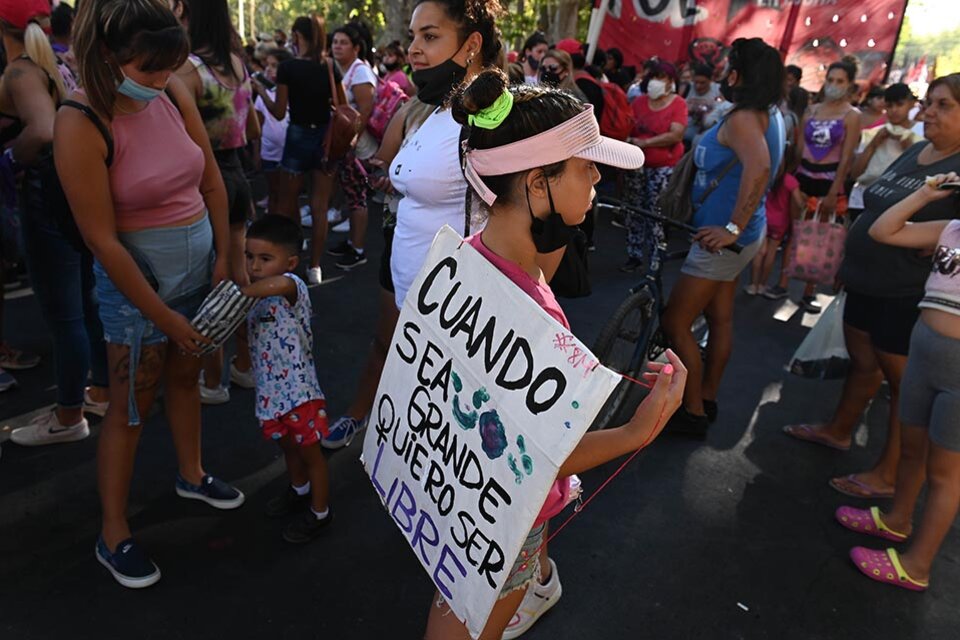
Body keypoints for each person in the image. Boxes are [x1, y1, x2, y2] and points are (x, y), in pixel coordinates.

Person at [423, 66, 685, 640]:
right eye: (586, 165)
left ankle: (539, 584)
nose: (597, 177)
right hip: (501, 525)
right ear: (538, 183)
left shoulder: (464, 257)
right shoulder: (532, 314)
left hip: (457, 502)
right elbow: (532, 459)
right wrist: (636, 432)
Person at [57, 0, 244, 588]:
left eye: (168, 69)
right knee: (130, 407)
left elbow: (210, 178)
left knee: (185, 378)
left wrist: (223, 257)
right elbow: (102, 241)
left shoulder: (171, 91)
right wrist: (161, 313)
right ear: (110, 57)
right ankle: (113, 532)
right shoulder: (79, 120)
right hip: (136, 291)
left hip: (196, 276)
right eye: (149, 71)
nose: (161, 82)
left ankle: (192, 472)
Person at [783, 74, 960, 501]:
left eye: (943, 105)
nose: (927, 112)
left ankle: (889, 474)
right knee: (864, 363)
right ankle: (839, 430)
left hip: (906, 295)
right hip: (866, 281)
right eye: (929, 102)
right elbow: (875, 196)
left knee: (904, 389)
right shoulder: (919, 150)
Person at [836, 171, 960, 592]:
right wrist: (924, 193)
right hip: (925, 350)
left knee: (945, 474)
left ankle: (917, 565)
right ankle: (896, 519)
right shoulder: (950, 229)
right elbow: (883, 230)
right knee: (911, 450)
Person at [661, 37, 785, 438]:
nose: (723, 69)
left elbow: (760, 169)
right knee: (720, 317)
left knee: (676, 322)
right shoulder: (768, 114)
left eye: (730, 63)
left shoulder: (745, 120)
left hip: (723, 241)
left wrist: (731, 227)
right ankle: (708, 396)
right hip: (741, 237)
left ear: (740, 73)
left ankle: (692, 410)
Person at [2, 0, 110, 448]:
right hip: (71, 190)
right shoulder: (56, 63)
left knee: (65, 311)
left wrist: (7, 159)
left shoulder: (21, 72)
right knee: (85, 304)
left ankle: (69, 414)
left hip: (46, 197)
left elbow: (44, 130)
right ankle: (100, 390)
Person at [178, 0, 259, 404]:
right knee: (239, 277)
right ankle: (243, 365)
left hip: (206, 181)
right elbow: (254, 123)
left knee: (213, 278)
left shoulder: (190, 70)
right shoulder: (237, 63)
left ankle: (213, 380)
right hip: (238, 174)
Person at [241, 215, 332, 543]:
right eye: (249, 256)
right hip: (271, 394)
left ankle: (320, 512)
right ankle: (299, 489)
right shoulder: (253, 298)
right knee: (288, 447)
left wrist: (242, 292)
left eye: (265, 259)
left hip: (299, 394)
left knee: (311, 454)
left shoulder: (292, 287)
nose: (254, 266)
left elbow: (274, 284)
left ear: (290, 262)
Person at [254, 15, 343, 285]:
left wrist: (260, 89)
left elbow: (279, 112)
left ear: (296, 35)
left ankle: (288, 257)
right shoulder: (329, 65)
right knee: (319, 207)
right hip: (325, 138)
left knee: (285, 203)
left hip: (298, 136)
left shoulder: (288, 68)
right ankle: (315, 266)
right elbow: (341, 105)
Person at [792, 59, 861, 313]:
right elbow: (799, 149)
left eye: (840, 81)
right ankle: (778, 283)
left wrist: (835, 190)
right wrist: (791, 181)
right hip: (802, 176)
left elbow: (847, 157)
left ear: (849, 85)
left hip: (828, 181)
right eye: (830, 80)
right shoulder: (811, 110)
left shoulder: (852, 116)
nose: (833, 85)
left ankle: (808, 292)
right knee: (793, 230)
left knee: (818, 238)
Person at [621, 60, 687, 273]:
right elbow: (627, 126)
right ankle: (634, 255)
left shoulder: (678, 104)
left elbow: (676, 134)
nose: (655, 82)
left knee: (656, 212)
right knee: (634, 209)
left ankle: (656, 257)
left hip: (663, 167)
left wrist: (646, 143)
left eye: (661, 78)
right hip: (636, 165)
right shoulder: (639, 102)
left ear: (671, 82)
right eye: (653, 77)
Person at [328, 23, 377, 270]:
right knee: (351, 193)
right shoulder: (344, 68)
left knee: (358, 196)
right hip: (349, 143)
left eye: (343, 42)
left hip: (359, 146)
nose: (337, 46)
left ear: (356, 48)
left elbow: (365, 110)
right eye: (335, 41)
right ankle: (351, 242)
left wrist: (353, 138)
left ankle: (358, 250)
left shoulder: (360, 73)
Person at [847, 83, 924, 219]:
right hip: (862, 200)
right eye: (889, 106)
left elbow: (924, 170)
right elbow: (855, 173)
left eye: (899, 105)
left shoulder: (922, 132)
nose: (894, 110)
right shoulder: (874, 134)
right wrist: (873, 145)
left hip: (898, 204)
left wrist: (909, 148)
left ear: (911, 104)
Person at [253, 47, 291, 216]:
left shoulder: (292, 92)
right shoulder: (262, 95)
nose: (269, 69)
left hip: (289, 151)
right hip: (269, 151)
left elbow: (279, 114)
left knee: (288, 194)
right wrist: (257, 153)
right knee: (273, 191)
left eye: (274, 65)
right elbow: (258, 126)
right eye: (267, 65)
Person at [683, 64, 719, 148]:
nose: (698, 86)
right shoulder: (687, 88)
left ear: (711, 80)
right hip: (688, 129)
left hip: (707, 131)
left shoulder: (718, 90)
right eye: (696, 82)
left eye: (702, 83)